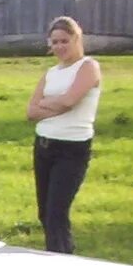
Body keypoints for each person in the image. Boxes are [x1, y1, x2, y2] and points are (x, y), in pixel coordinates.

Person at [27, 15, 101, 253]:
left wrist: (48, 104)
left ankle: (63, 263)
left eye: (64, 41)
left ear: (77, 39)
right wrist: (57, 105)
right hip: (44, 145)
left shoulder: (88, 66)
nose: (59, 47)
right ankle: (56, 255)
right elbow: (30, 112)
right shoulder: (50, 73)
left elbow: (71, 101)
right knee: (44, 213)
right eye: (55, 42)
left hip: (71, 148)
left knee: (57, 214)